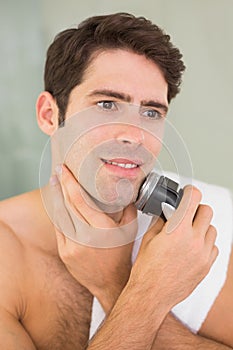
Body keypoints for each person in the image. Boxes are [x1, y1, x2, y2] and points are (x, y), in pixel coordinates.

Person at [0, 12, 232, 350]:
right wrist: (144, 294)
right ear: (50, 115)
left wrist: (114, 284)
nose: (134, 135)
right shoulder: (7, 253)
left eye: (151, 112)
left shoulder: (198, 232)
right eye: (107, 104)